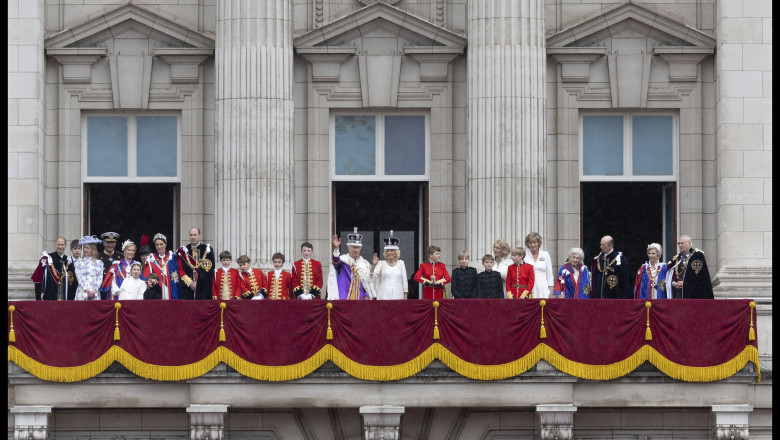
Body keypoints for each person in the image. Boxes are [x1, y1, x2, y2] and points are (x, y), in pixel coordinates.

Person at [330, 229, 376, 300]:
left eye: (358, 248)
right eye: (354, 247)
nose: (356, 250)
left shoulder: (364, 264)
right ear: (349, 248)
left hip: (359, 299)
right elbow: (336, 263)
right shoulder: (343, 260)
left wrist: (366, 294)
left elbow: (366, 282)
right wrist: (336, 249)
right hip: (344, 296)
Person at [177, 227, 215, 300]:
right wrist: (190, 283)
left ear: (199, 236)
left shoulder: (207, 250)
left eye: (195, 235)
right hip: (188, 289)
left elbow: (210, 270)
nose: (193, 237)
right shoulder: (184, 251)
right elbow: (180, 270)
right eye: (191, 235)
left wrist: (198, 283)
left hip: (203, 289)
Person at [30, 237, 73, 301]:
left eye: (62, 245)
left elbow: (72, 279)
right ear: (55, 244)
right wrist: (41, 291)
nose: (60, 247)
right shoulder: (48, 258)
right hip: (50, 294)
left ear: (65, 246)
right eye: (58, 244)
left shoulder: (68, 260)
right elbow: (40, 276)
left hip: (64, 295)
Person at [370, 231, 409, 300]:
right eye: (388, 251)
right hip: (384, 296)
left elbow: (404, 279)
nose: (390, 252)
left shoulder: (401, 263)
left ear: (396, 252)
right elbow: (373, 276)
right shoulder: (381, 263)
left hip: (398, 295)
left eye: (392, 250)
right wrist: (373, 265)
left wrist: (405, 294)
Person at [143, 233, 180, 300]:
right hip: (157, 291)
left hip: (170, 288)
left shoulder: (172, 257)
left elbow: (177, 273)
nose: (159, 247)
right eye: (157, 245)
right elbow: (147, 277)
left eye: (161, 244)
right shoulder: (151, 258)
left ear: (165, 244)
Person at [74, 235, 105, 300]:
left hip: (95, 293)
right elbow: (79, 278)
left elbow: (100, 278)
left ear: (93, 249)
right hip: (82, 291)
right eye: (84, 247)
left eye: (88, 248)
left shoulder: (99, 263)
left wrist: (95, 290)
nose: (85, 249)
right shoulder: (78, 262)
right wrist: (86, 290)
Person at [524, 232, 554, 299]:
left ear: (538, 243)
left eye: (535, 242)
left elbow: (549, 275)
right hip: (528, 288)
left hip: (543, 288)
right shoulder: (524, 255)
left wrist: (551, 292)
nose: (533, 245)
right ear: (528, 244)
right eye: (530, 243)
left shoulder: (545, 255)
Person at [97, 232, 123, 299]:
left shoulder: (121, 256)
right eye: (108, 242)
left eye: (112, 242)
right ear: (103, 243)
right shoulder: (98, 257)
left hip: (118, 290)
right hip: (103, 289)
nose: (110, 245)